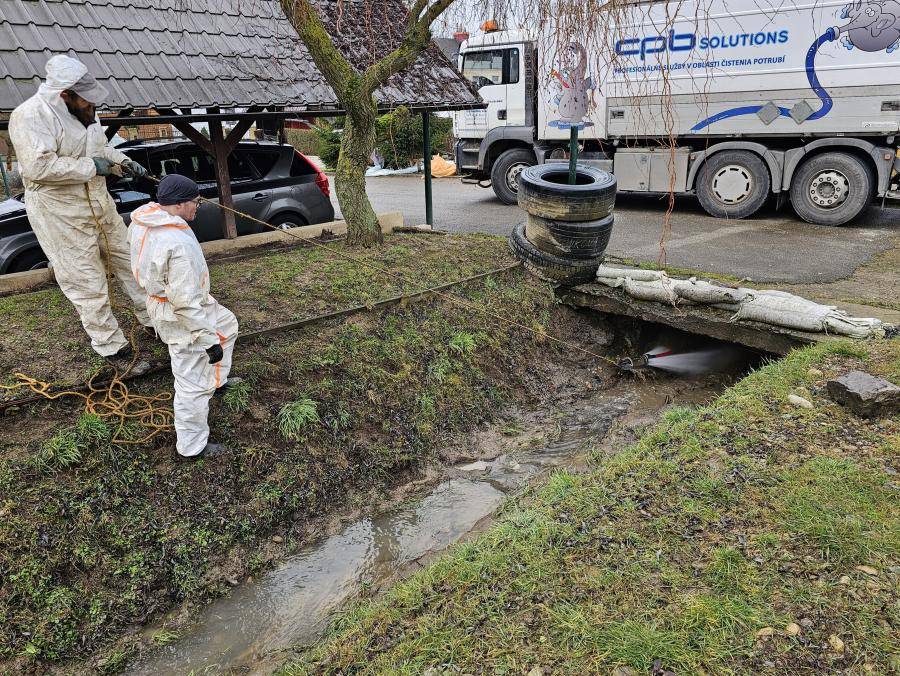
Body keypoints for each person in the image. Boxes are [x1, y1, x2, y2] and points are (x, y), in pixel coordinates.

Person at [8, 55, 152, 372]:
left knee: (130, 260)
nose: (93, 106)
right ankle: (111, 346)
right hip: (59, 209)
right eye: (86, 100)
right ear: (65, 94)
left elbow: (98, 149)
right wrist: (91, 167)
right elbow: (38, 167)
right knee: (86, 278)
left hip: (97, 200)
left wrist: (120, 161)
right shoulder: (30, 116)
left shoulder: (86, 113)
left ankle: (153, 319)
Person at [128, 175, 239, 460]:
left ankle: (219, 380)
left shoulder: (144, 219)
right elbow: (185, 304)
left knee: (228, 324)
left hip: (173, 301)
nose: (198, 206)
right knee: (191, 383)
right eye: (195, 201)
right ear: (178, 204)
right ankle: (192, 446)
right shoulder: (176, 244)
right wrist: (207, 340)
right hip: (180, 314)